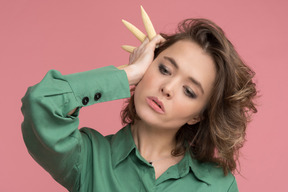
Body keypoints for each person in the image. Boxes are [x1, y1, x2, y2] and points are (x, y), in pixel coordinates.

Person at [21, 18, 257, 192]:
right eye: (164, 69)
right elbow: (41, 102)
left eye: (189, 91)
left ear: (198, 116)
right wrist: (127, 74)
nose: (167, 88)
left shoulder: (218, 185)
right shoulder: (88, 158)